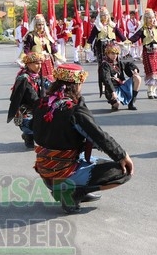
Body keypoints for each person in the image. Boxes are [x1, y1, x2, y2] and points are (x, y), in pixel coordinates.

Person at [32, 63, 134, 214]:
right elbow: (99, 136)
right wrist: (122, 155)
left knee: (94, 159)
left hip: (45, 171)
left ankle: (73, 188)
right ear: (77, 84)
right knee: (123, 171)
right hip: (61, 172)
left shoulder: (42, 103)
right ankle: (73, 193)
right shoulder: (74, 110)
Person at [6, 51, 50, 148]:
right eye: (36, 64)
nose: (39, 66)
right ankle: (28, 135)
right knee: (30, 122)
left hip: (39, 105)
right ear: (28, 64)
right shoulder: (23, 79)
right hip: (27, 107)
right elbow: (32, 97)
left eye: (40, 63)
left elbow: (50, 88)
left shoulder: (39, 76)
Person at [99, 43, 142, 111]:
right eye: (112, 53)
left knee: (137, 78)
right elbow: (107, 80)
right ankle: (114, 103)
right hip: (112, 89)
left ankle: (131, 103)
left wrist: (135, 70)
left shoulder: (118, 62)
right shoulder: (105, 65)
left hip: (122, 86)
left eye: (116, 53)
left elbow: (129, 64)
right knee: (116, 105)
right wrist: (113, 92)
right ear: (108, 53)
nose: (114, 56)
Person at [22, 14, 64, 82]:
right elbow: (27, 49)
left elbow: (52, 48)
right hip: (36, 62)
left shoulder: (47, 35)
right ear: (35, 25)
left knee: (49, 80)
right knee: (37, 80)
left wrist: (60, 58)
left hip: (48, 61)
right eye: (39, 25)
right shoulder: (31, 36)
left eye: (42, 24)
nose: (41, 27)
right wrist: (23, 59)